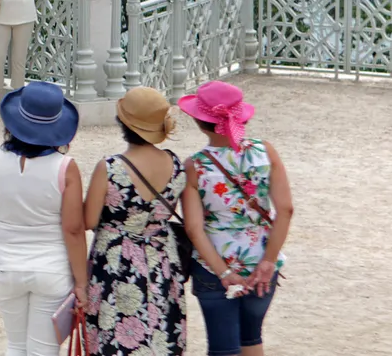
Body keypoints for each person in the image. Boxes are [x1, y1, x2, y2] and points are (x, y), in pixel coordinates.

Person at [0, 80, 87, 356]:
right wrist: (82, 283)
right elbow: (73, 229)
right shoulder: (65, 168)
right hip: (52, 268)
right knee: (43, 351)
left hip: (8, 266)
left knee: (15, 346)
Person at [179, 81, 294, 356]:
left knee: (223, 347)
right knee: (251, 338)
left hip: (213, 263)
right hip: (261, 259)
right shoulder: (266, 151)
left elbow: (194, 229)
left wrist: (224, 272)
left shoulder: (194, 165)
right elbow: (286, 210)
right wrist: (268, 261)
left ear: (198, 121)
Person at [83, 87, 187, 355]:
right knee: (160, 331)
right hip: (161, 258)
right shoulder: (176, 165)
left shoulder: (110, 168)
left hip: (115, 262)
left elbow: (88, 219)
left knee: (113, 334)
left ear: (123, 123)